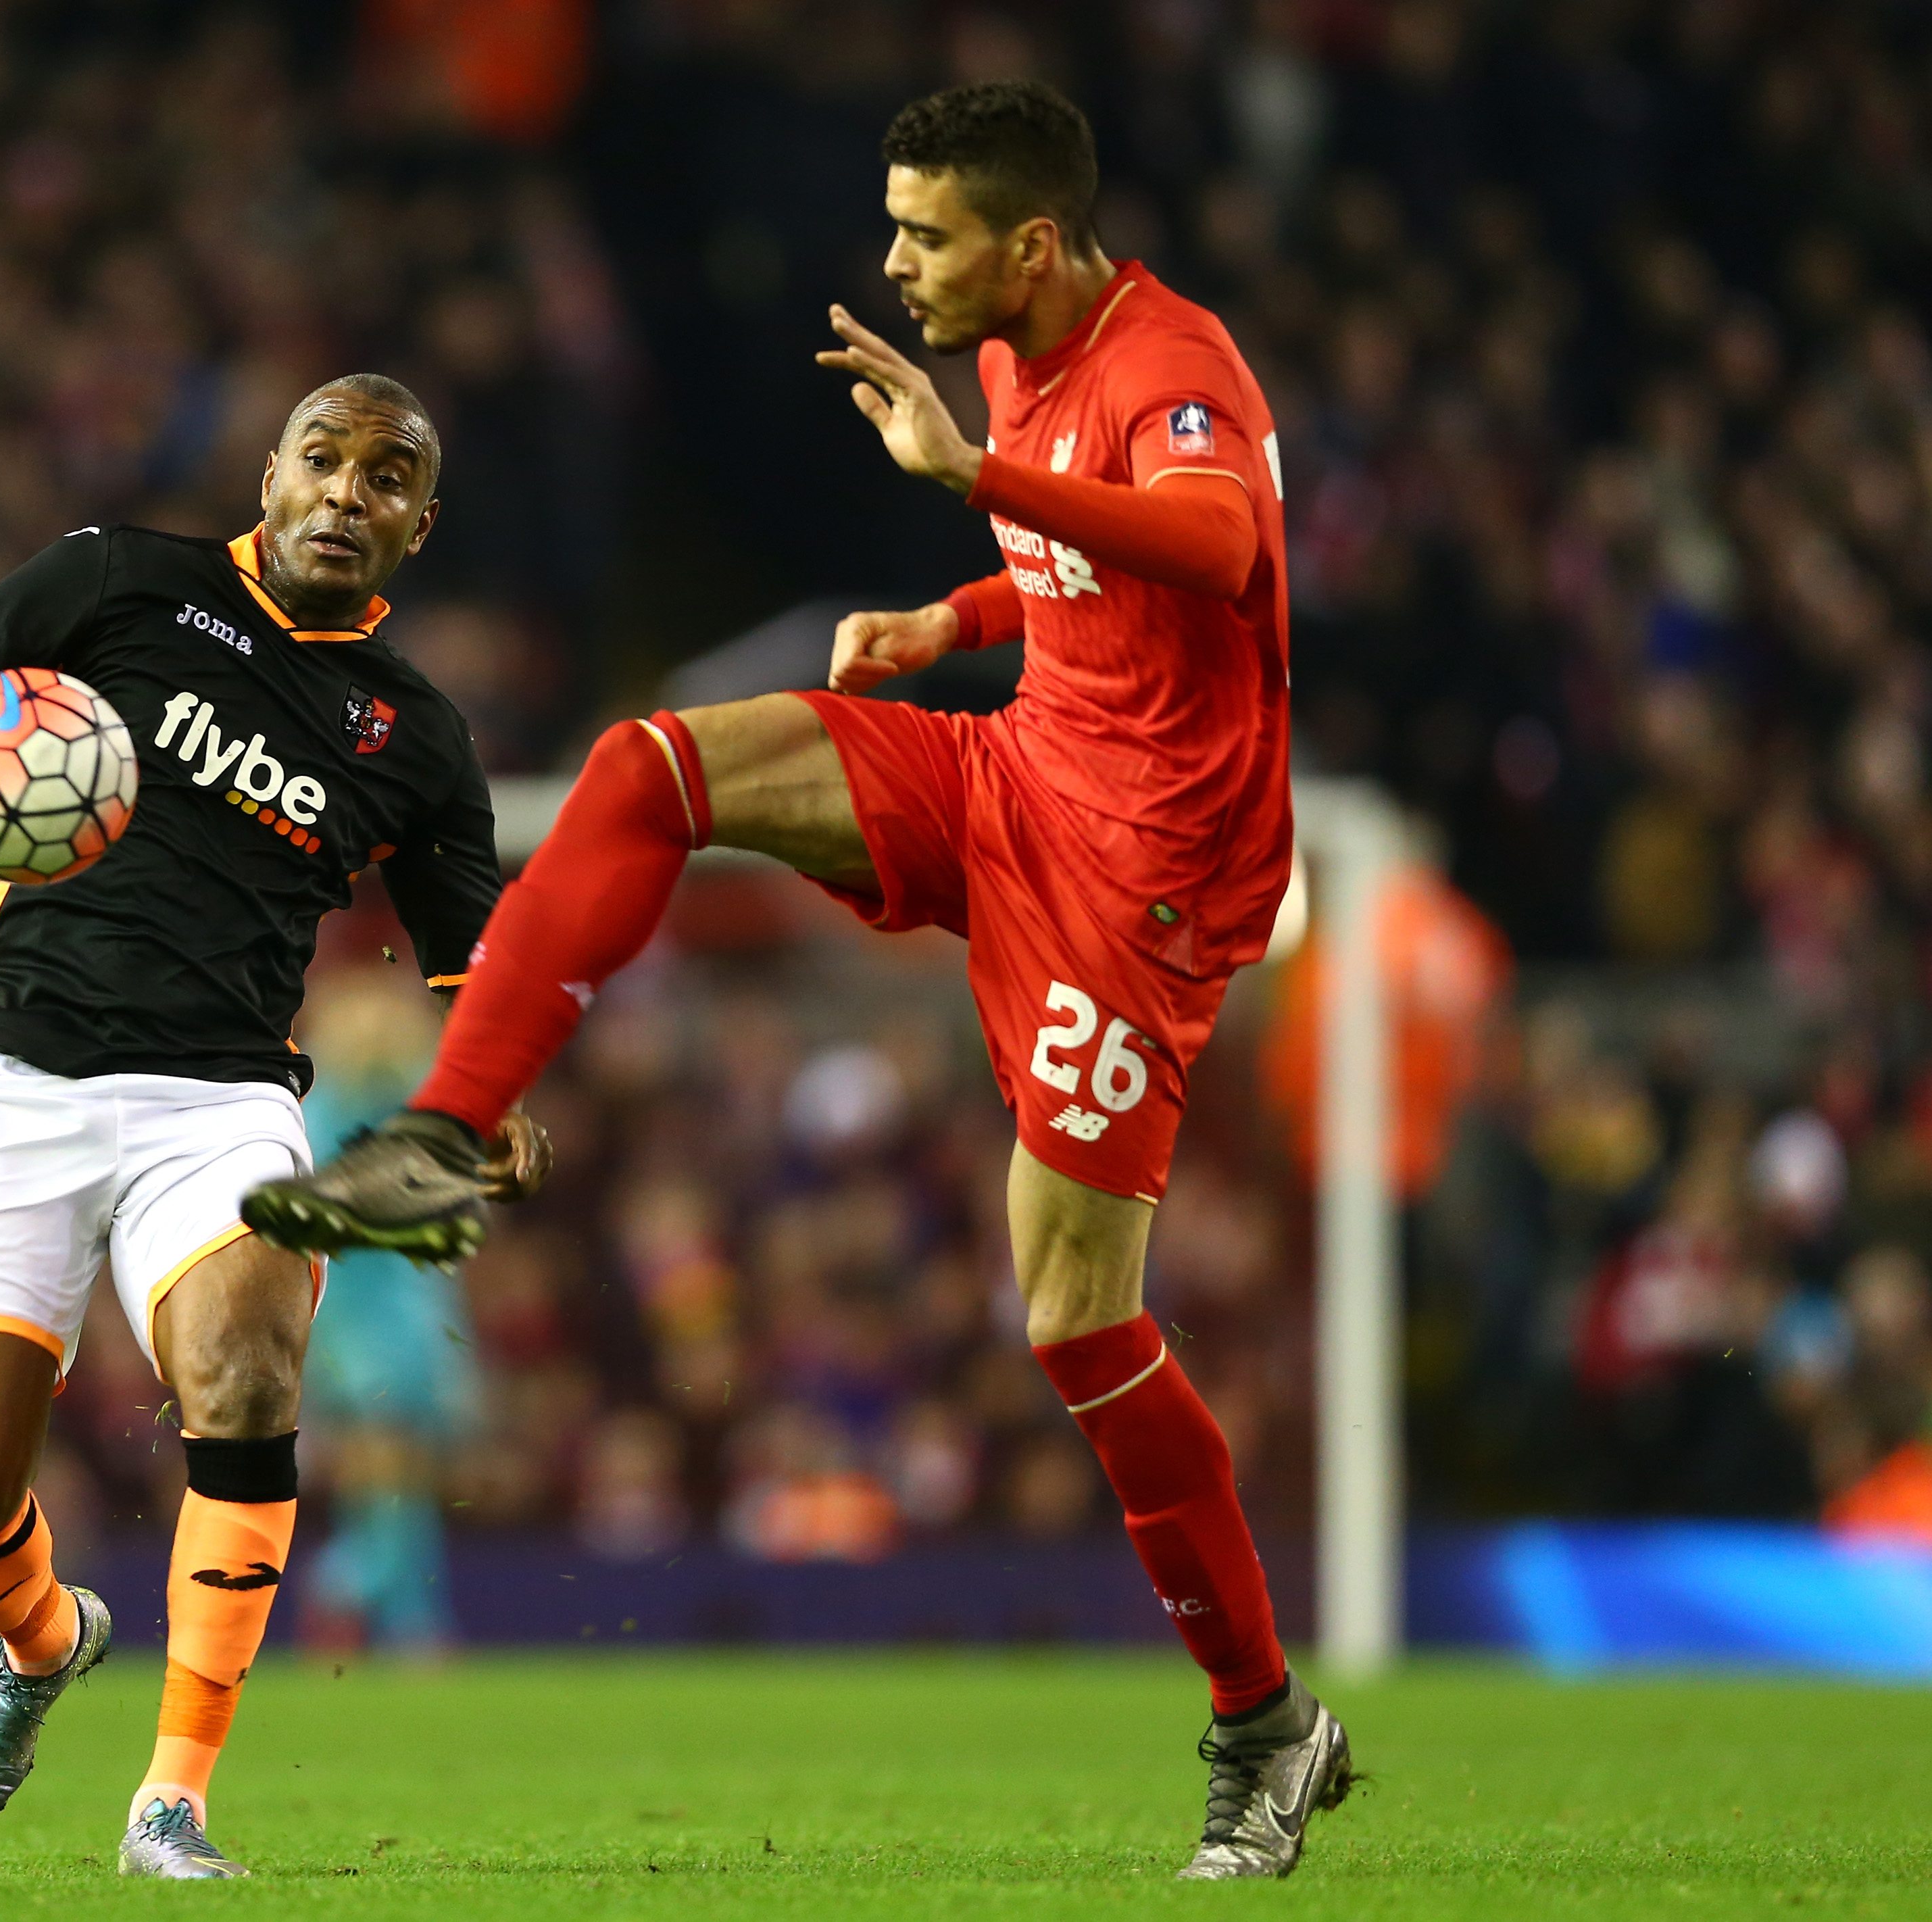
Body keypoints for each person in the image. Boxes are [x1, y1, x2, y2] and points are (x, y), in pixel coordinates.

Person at [247, 82, 1354, 1879]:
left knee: (1078, 1321)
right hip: (1014, 771)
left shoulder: (1175, 368)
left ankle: (1265, 1722)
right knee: (649, 770)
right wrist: (954, 619)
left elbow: (1223, 548)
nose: (898, 259)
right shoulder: (1020, 356)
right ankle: (448, 1132)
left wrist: (969, 482)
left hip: (1140, 888)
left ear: (1031, 244)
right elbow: (1086, 564)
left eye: (925, 233)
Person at [0, 374, 544, 1879]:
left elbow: (477, 960)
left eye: (389, 476)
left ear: (420, 522)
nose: (349, 493)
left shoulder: (416, 736)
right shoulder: (116, 580)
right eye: (325, 460)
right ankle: (39, 1641)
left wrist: (497, 1099)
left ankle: (173, 1800)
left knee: (246, 1368)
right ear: (270, 474)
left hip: (218, 1104)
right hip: (6, 1074)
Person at [293, 970, 478, 1655]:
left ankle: (378, 1602)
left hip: (389, 1314)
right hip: (371, 1314)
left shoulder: (346, 1110)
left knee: (394, 1480)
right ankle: (388, 1609)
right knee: (390, 1477)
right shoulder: (379, 1109)